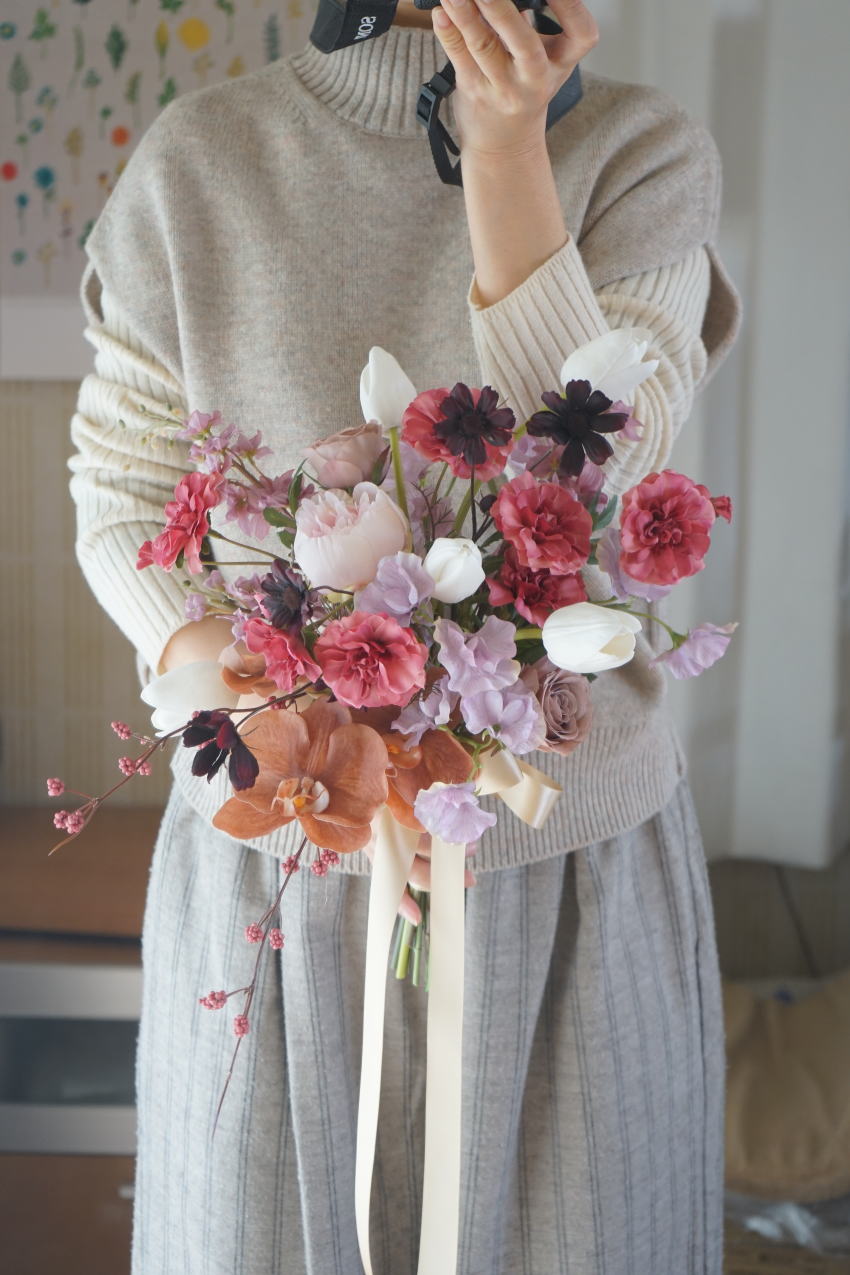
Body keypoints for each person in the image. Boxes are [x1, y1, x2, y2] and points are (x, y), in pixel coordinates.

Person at [68, 0, 742, 1270]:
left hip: (568, 871)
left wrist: (506, 149)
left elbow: (583, 466)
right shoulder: (197, 162)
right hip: (276, 853)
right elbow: (124, 499)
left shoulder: (642, 155)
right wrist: (296, 724)